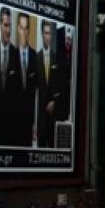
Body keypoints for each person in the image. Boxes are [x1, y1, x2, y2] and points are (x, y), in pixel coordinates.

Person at [35, 18, 67, 147]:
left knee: (53, 144)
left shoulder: (57, 58)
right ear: (42, 34)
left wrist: (54, 101)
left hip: (54, 113)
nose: (47, 36)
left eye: (49, 33)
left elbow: (62, 85)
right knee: (41, 145)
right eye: (45, 33)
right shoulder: (36, 58)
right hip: (41, 114)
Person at [0, 7, 19, 146]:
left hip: (12, 126)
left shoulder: (16, 54)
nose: (8, 30)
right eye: (6, 25)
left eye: (10, 26)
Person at [14, 12, 39, 146]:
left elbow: (37, 94)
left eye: (26, 28)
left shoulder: (35, 57)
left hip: (29, 121)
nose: (23, 32)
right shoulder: (12, 55)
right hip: (14, 121)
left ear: (28, 30)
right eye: (21, 28)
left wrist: (35, 123)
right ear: (18, 29)